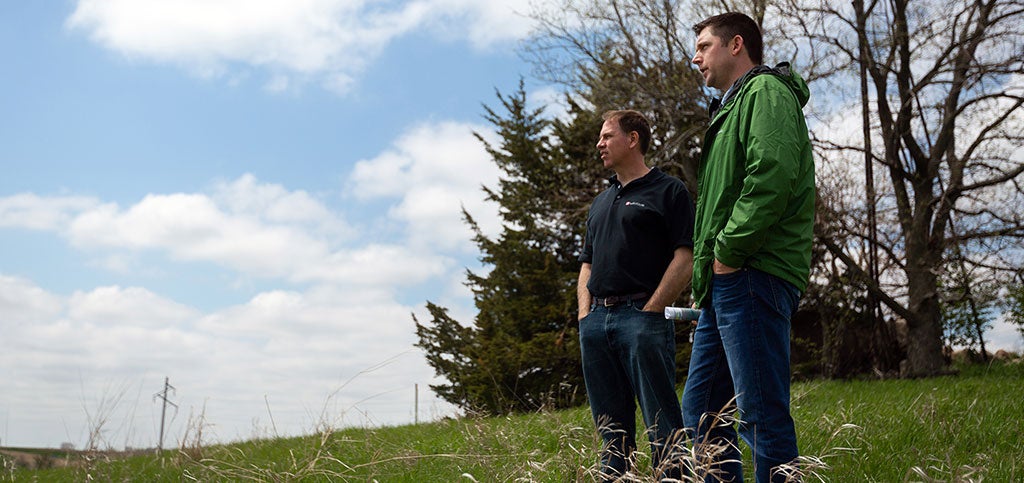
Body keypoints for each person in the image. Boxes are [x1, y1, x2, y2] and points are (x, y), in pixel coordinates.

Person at [681, 12, 816, 483]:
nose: (695, 57)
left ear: (735, 45)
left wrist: (727, 254)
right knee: (701, 412)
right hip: (728, 280)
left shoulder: (766, 93)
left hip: (752, 270)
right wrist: (713, 271)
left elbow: (770, 177)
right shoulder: (731, 107)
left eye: (703, 46)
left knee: (760, 415)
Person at [577, 109, 695, 480]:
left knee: (663, 426)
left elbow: (686, 256)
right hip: (596, 324)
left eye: (608, 135)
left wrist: (651, 309)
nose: (600, 144)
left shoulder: (668, 190)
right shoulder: (600, 202)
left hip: (642, 319)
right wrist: (584, 317)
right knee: (611, 432)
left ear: (633, 139)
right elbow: (587, 264)